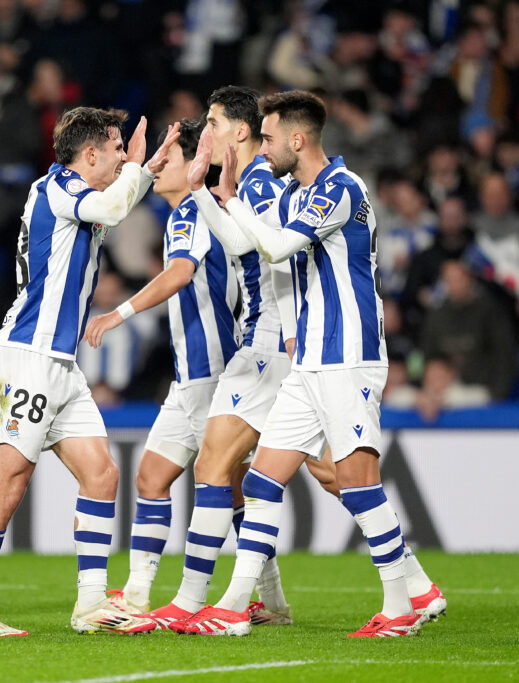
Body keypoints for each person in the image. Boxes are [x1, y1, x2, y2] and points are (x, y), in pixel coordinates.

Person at [172, 90, 426, 638]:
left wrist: (232, 195)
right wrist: (209, 196)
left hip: (346, 356)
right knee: (263, 479)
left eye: (267, 138)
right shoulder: (299, 192)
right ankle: (236, 606)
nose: (262, 148)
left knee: (356, 482)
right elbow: (247, 240)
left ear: (297, 138)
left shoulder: (342, 189)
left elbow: (278, 247)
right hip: (308, 359)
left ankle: (403, 605)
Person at [0, 107, 180, 637]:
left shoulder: (83, 197)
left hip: (61, 364)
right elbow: (117, 206)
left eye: (126, 147)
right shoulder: (58, 189)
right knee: (6, 486)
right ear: (90, 154)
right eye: (117, 147)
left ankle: (92, 605)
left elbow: (115, 205)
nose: (123, 155)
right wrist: (141, 169)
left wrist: (151, 168)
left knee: (101, 474)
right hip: (26, 359)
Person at [82, 117, 242, 627]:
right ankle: (137, 592)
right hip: (193, 379)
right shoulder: (192, 211)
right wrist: (135, 161)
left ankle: (205, 599)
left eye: (170, 159)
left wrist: (117, 313)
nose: (160, 168)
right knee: (154, 478)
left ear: (196, 162)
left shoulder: (191, 212)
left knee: (251, 484)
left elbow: (180, 273)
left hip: (216, 377)